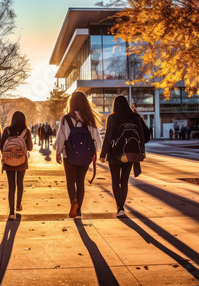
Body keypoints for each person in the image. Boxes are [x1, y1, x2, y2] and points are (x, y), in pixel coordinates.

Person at [54, 91, 102, 219]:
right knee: (80, 181)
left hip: (69, 155)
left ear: (71, 103)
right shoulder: (89, 119)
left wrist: (58, 153)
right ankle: (79, 210)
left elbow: (61, 138)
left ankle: (73, 202)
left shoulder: (66, 119)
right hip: (85, 155)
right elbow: (95, 139)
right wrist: (95, 152)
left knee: (70, 181)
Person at [100, 95, 146, 218]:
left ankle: (119, 208)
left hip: (114, 153)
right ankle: (122, 208)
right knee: (124, 181)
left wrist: (103, 154)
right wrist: (141, 152)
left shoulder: (112, 117)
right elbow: (142, 136)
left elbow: (108, 137)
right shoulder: (134, 117)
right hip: (130, 153)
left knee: (116, 181)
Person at [0, 111, 33, 220]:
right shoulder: (26, 131)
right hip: (21, 161)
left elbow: (1, 146)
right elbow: (30, 148)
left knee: (11, 186)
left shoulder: (7, 130)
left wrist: (7, 155)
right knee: (20, 183)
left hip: (9, 162)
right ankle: (18, 205)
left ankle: (11, 213)